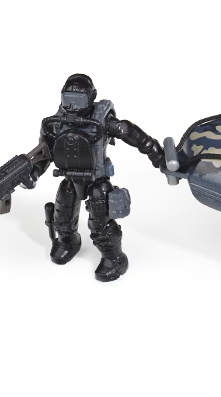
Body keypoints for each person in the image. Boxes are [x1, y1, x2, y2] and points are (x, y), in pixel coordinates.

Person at [32, 74, 165, 281]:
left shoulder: (102, 121)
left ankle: (114, 259)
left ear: (91, 98)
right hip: (69, 177)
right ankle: (67, 242)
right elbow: (44, 152)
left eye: (79, 100)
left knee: (100, 223)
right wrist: (34, 172)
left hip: (97, 180)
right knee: (62, 218)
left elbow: (132, 134)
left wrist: (156, 153)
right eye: (68, 99)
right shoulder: (55, 123)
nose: (73, 106)